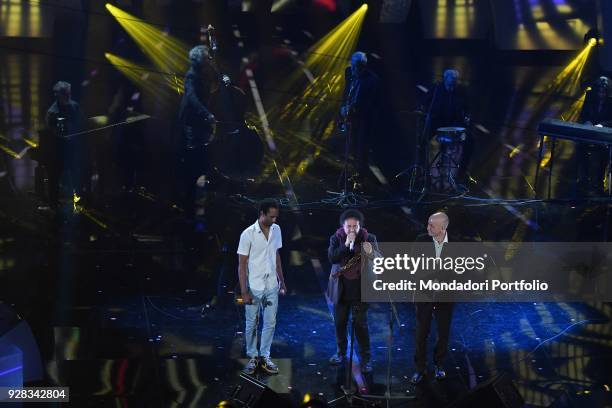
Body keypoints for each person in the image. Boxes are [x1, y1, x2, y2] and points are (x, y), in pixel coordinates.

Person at [237, 199, 287, 375]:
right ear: (262, 214)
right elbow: (241, 265)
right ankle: (252, 356)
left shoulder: (276, 230)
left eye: (276, 217)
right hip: (254, 286)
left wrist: (282, 280)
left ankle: (265, 356)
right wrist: (244, 291)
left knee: (270, 323)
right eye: (271, 216)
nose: (274, 220)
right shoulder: (248, 234)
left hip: (272, 284)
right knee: (252, 323)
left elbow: (276, 255)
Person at [327, 209, 378, 373]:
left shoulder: (369, 238)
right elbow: (332, 257)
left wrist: (370, 252)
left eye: (354, 226)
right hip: (341, 290)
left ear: (359, 226)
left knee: (360, 325)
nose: (351, 230)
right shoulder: (336, 238)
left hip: (361, 290)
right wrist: (346, 245)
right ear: (343, 226)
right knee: (340, 323)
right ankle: (340, 353)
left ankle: (366, 359)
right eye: (348, 226)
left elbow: (378, 259)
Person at [411, 211, 455, 384]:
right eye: (428, 223)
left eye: (432, 225)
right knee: (422, 333)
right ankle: (419, 369)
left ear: (443, 227)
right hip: (424, 294)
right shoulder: (421, 240)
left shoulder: (456, 244)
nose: (428, 227)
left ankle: (439, 365)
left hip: (445, 295)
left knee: (443, 333)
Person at [177, 45, 216, 216]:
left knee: (202, 157)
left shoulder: (202, 74)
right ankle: (189, 201)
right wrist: (206, 114)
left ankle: (199, 193)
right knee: (195, 158)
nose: (209, 60)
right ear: (199, 60)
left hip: (200, 122)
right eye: (206, 58)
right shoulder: (191, 76)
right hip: (192, 122)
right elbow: (192, 98)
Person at [420, 69, 471, 190]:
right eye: (451, 79)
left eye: (455, 80)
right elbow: (423, 102)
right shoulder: (436, 89)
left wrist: (467, 117)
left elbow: (467, 108)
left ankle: (461, 175)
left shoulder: (460, 92)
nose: (453, 82)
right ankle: (425, 173)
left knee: (470, 141)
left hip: (453, 125)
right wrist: (424, 112)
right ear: (445, 79)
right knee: (422, 143)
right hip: (437, 123)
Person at [339, 51, 380, 184]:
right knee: (350, 144)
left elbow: (371, 104)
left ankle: (361, 178)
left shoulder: (372, 80)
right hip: (351, 115)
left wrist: (354, 108)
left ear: (363, 66)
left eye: (356, 66)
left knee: (361, 147)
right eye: (352, 65)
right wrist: (344, 106)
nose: (353, 69)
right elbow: (347, 91)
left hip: (365, 118)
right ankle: (351, 173)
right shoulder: (349, 72)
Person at [44, 81, 83, 209]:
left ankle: (78, 201)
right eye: (65, 93)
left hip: (72, 149)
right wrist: (64, 137)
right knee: (54, 177)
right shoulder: (52, 112)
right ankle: (53, 205)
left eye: (68, 93)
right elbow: (52, 132)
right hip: (58, 151)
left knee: (75, 175)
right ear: (58, 95)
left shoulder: (75, 106)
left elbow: (80, 123)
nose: (68, 96)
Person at [576, 76, 612, 195]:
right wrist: (587, 121)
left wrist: (602, 125)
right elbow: (583, 114)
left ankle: (600, 180)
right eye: (599, 92)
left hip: (604, 135)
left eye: (603, 92)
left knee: (604, 152)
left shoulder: (611, 101)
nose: (601, 95)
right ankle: (584, 177)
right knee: (581, 147)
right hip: (590, 130)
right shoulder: (590, 97)